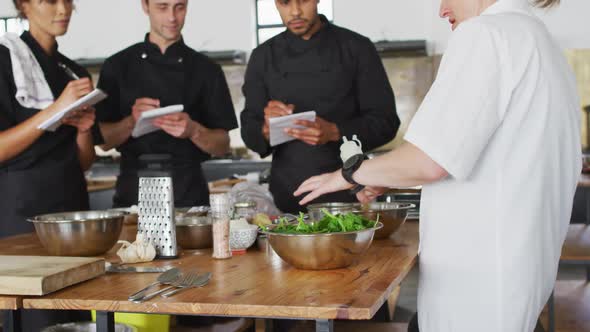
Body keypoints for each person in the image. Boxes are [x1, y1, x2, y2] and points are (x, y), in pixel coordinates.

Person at [295, 0, 581, 331]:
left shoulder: (485, 34)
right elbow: (487, 160)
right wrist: (389, 173)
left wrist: (350, 172)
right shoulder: (539, 40)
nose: (442, 10)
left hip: (474, 290)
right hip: (514, 283)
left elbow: (430, 161)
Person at [240, 0, 400, 213]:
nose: (295, 11)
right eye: (285, 2)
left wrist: (335, 132)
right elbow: (249, 130)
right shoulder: (263, 56)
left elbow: (386, 122)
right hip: (287, 196)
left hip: (349, 195)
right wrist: (266, 129)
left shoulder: (356, 47)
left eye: (303, 0)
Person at [0, 1, 97, 330]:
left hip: (72, 210)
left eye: (67, 0)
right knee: (36, 316)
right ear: (24, 5)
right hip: (21, 213)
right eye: (49, 0)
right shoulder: (3, 60)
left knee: (80, 310)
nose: (62, 9)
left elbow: (83, 161)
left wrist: (84, 130)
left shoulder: (74, 72)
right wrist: (56, 109)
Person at [95, 0, 237, 207]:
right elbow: (103, 142)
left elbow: (223, 145)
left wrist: (193, 130)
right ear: (145, 6)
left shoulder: (207, 70)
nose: (172, 17)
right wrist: (131, 122)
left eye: (179, 7)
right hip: (134, 189)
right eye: (162, 7)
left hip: (187, 190)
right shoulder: (116, 66)